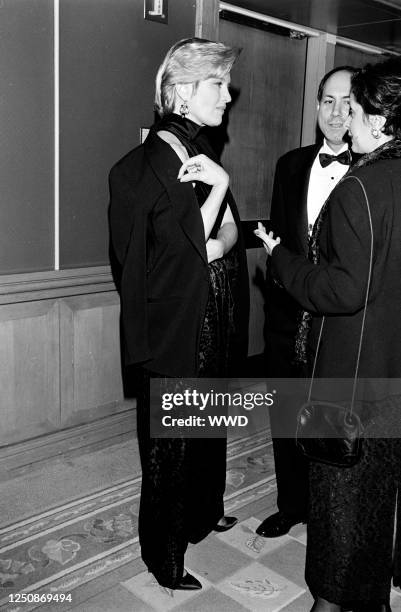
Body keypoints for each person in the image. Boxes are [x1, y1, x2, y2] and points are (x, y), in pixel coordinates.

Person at [255, 57, 401, 611]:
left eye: (356, 109)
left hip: (348, 375)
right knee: (374, 498)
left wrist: (283, 262)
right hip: (390, 369)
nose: (347, 120)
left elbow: (343, 291)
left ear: (381, 120)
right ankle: (373, 597)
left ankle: (334, 599)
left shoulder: (359, 189)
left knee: (339, 502)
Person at [109, 38, 249, 592]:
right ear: (184, 93)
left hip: (209, 313)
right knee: (169, 447)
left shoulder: (197, 154)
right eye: (218, 85)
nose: (227, 96)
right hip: (171, 329)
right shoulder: (140, 169)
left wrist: (219, 197)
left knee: (207, 423)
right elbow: (166, 263)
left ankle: (201, 512)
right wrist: (220, 190)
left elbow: (219, 235)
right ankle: (163, 556)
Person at [257, 65, 357, 538]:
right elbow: (280, 243)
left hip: (339, 322)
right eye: (328, 101)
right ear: (316, 105)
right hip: (287, 319)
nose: (336, 113)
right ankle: (291, 504)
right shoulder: (290, 164)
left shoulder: (373, 173)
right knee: (285, 413)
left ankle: (331, 516)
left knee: (331, 423)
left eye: (347, 102)